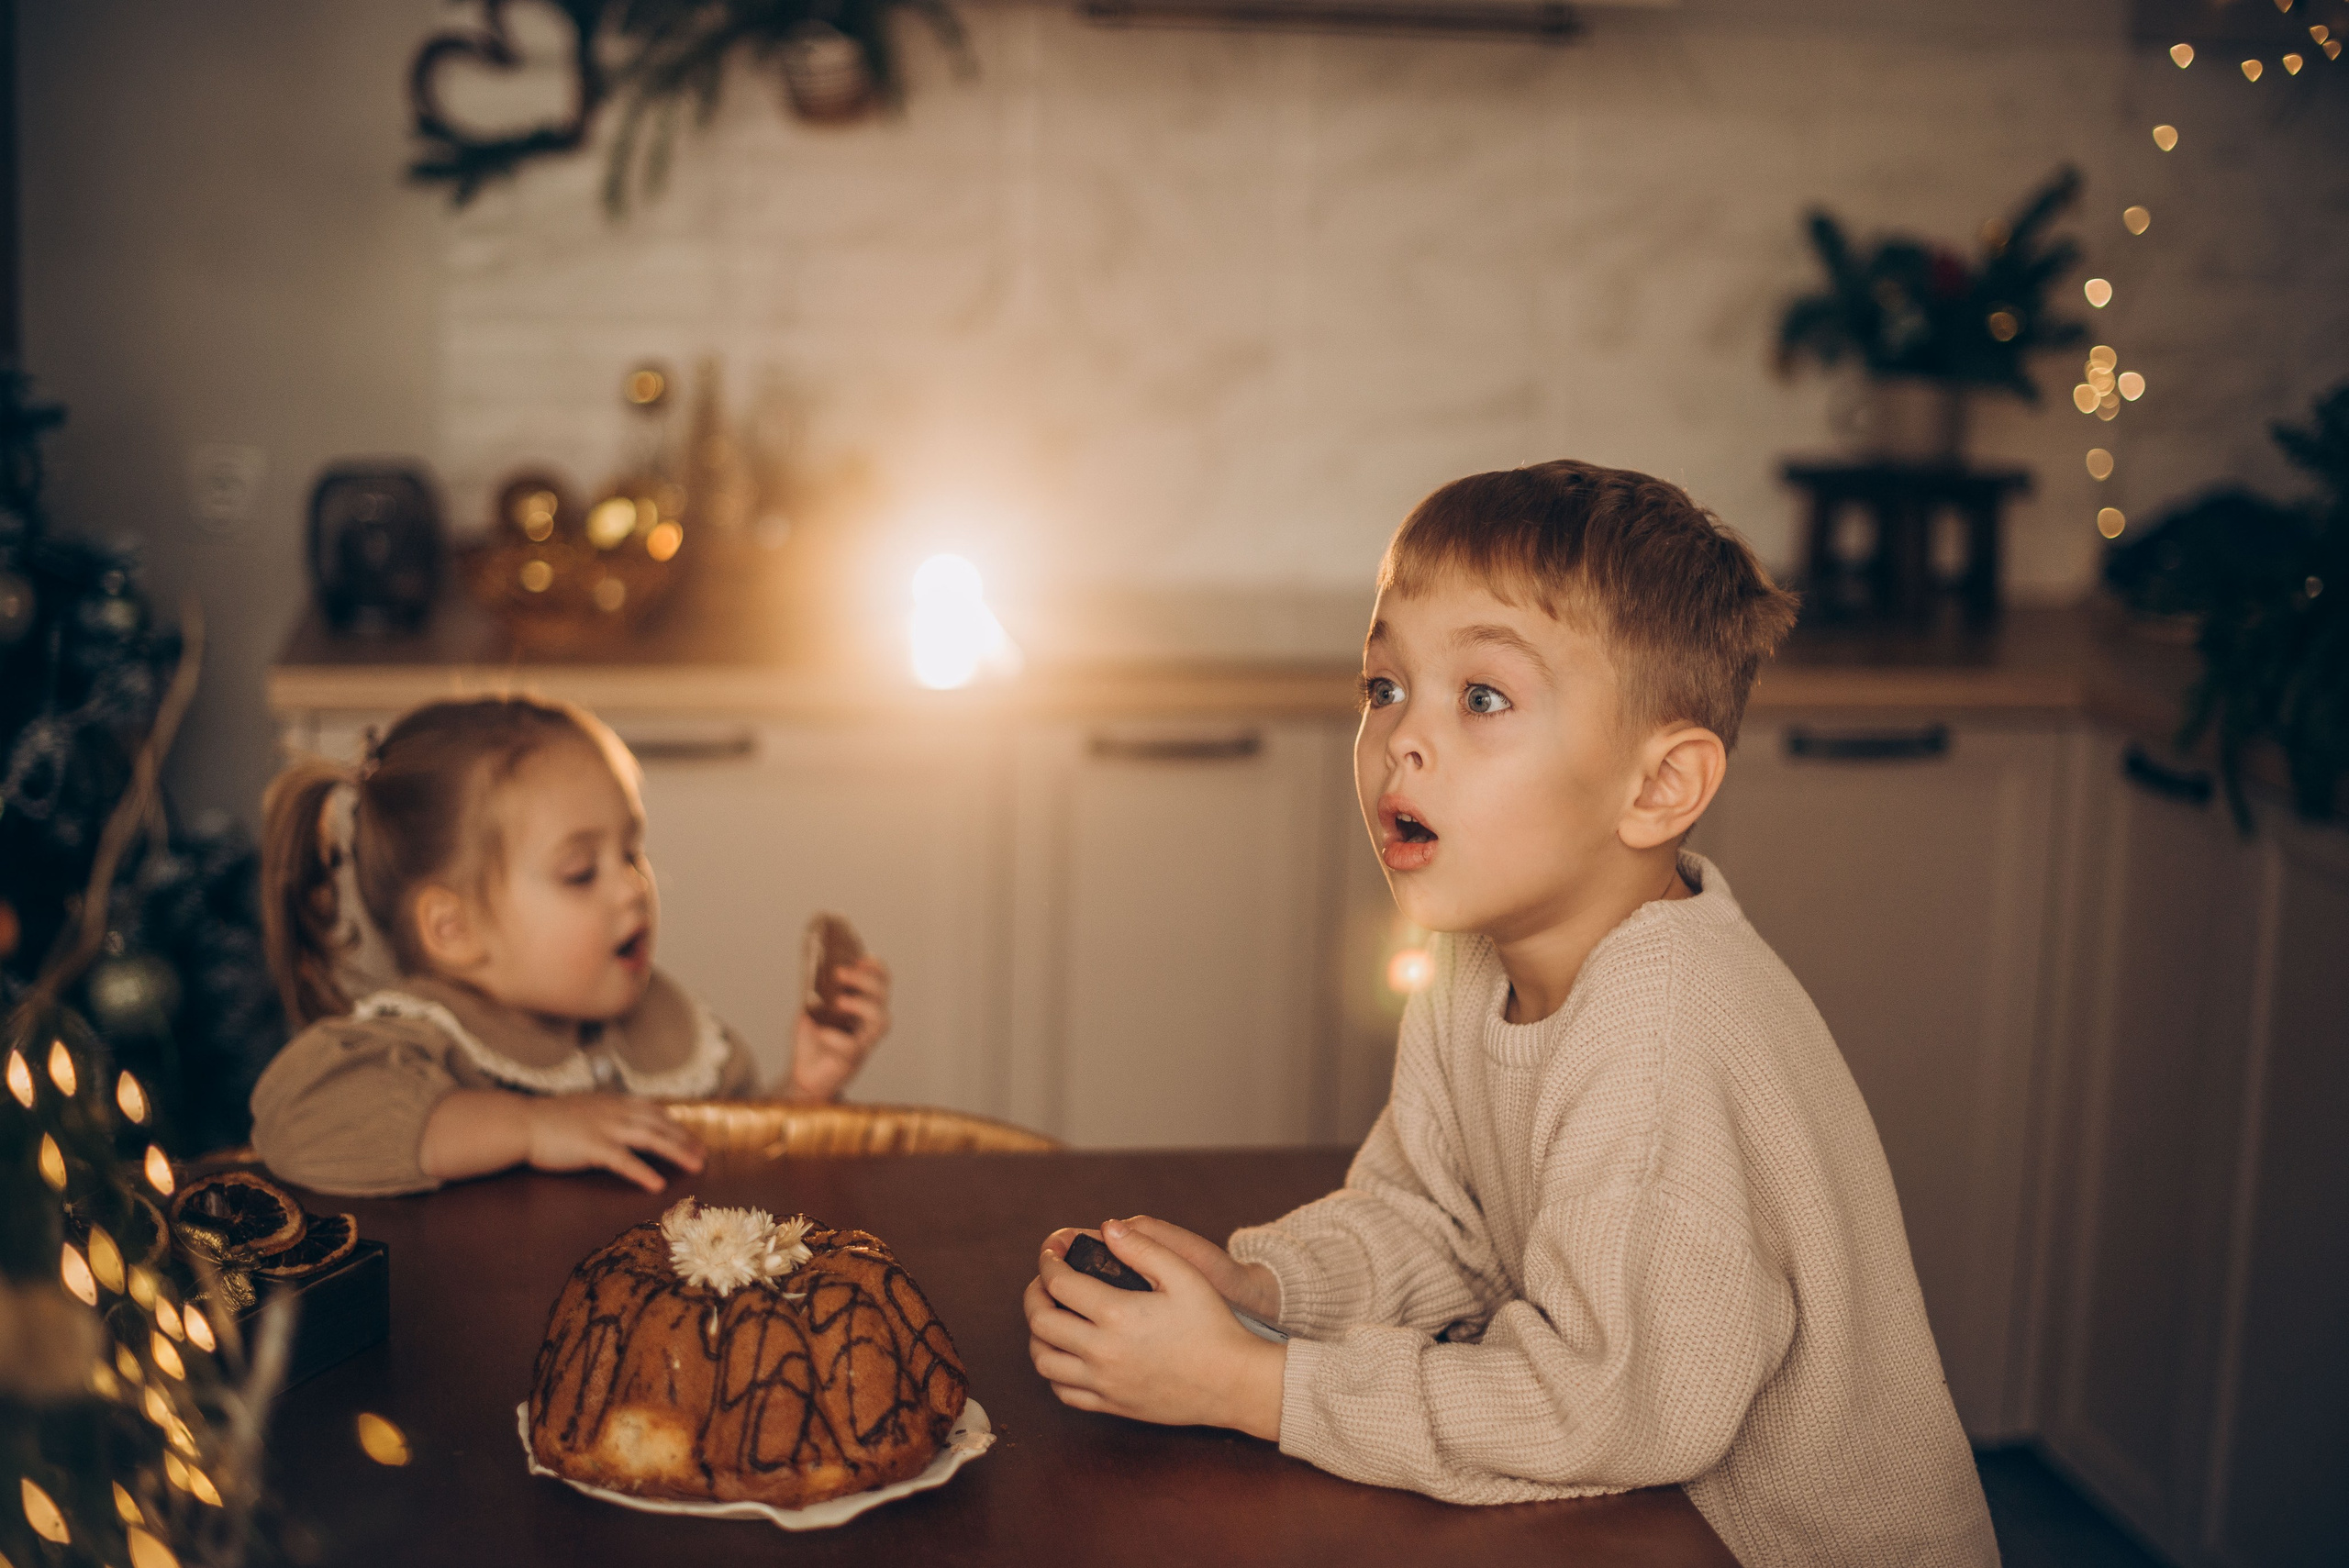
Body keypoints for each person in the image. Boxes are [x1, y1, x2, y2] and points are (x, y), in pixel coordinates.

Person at [1022, 462, 1997, 1565]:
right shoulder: (1474, 956)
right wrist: (1264, 1289)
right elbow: (1446, 1225)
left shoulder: (1662, 1042)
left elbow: (1601, 1408)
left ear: (1659, 787)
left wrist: (1251, 1384)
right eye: (1383, 686)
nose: (1401, 738)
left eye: (1481, 698)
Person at [249, 695, 890, 1197]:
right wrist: (531, 1127)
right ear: (454, 930)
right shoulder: (420, 1039)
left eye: (632, 852)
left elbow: (733, 1173)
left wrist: (803, 1092)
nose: (633, 888)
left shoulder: (670, 1034)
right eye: (581, 872)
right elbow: (296, 1123)